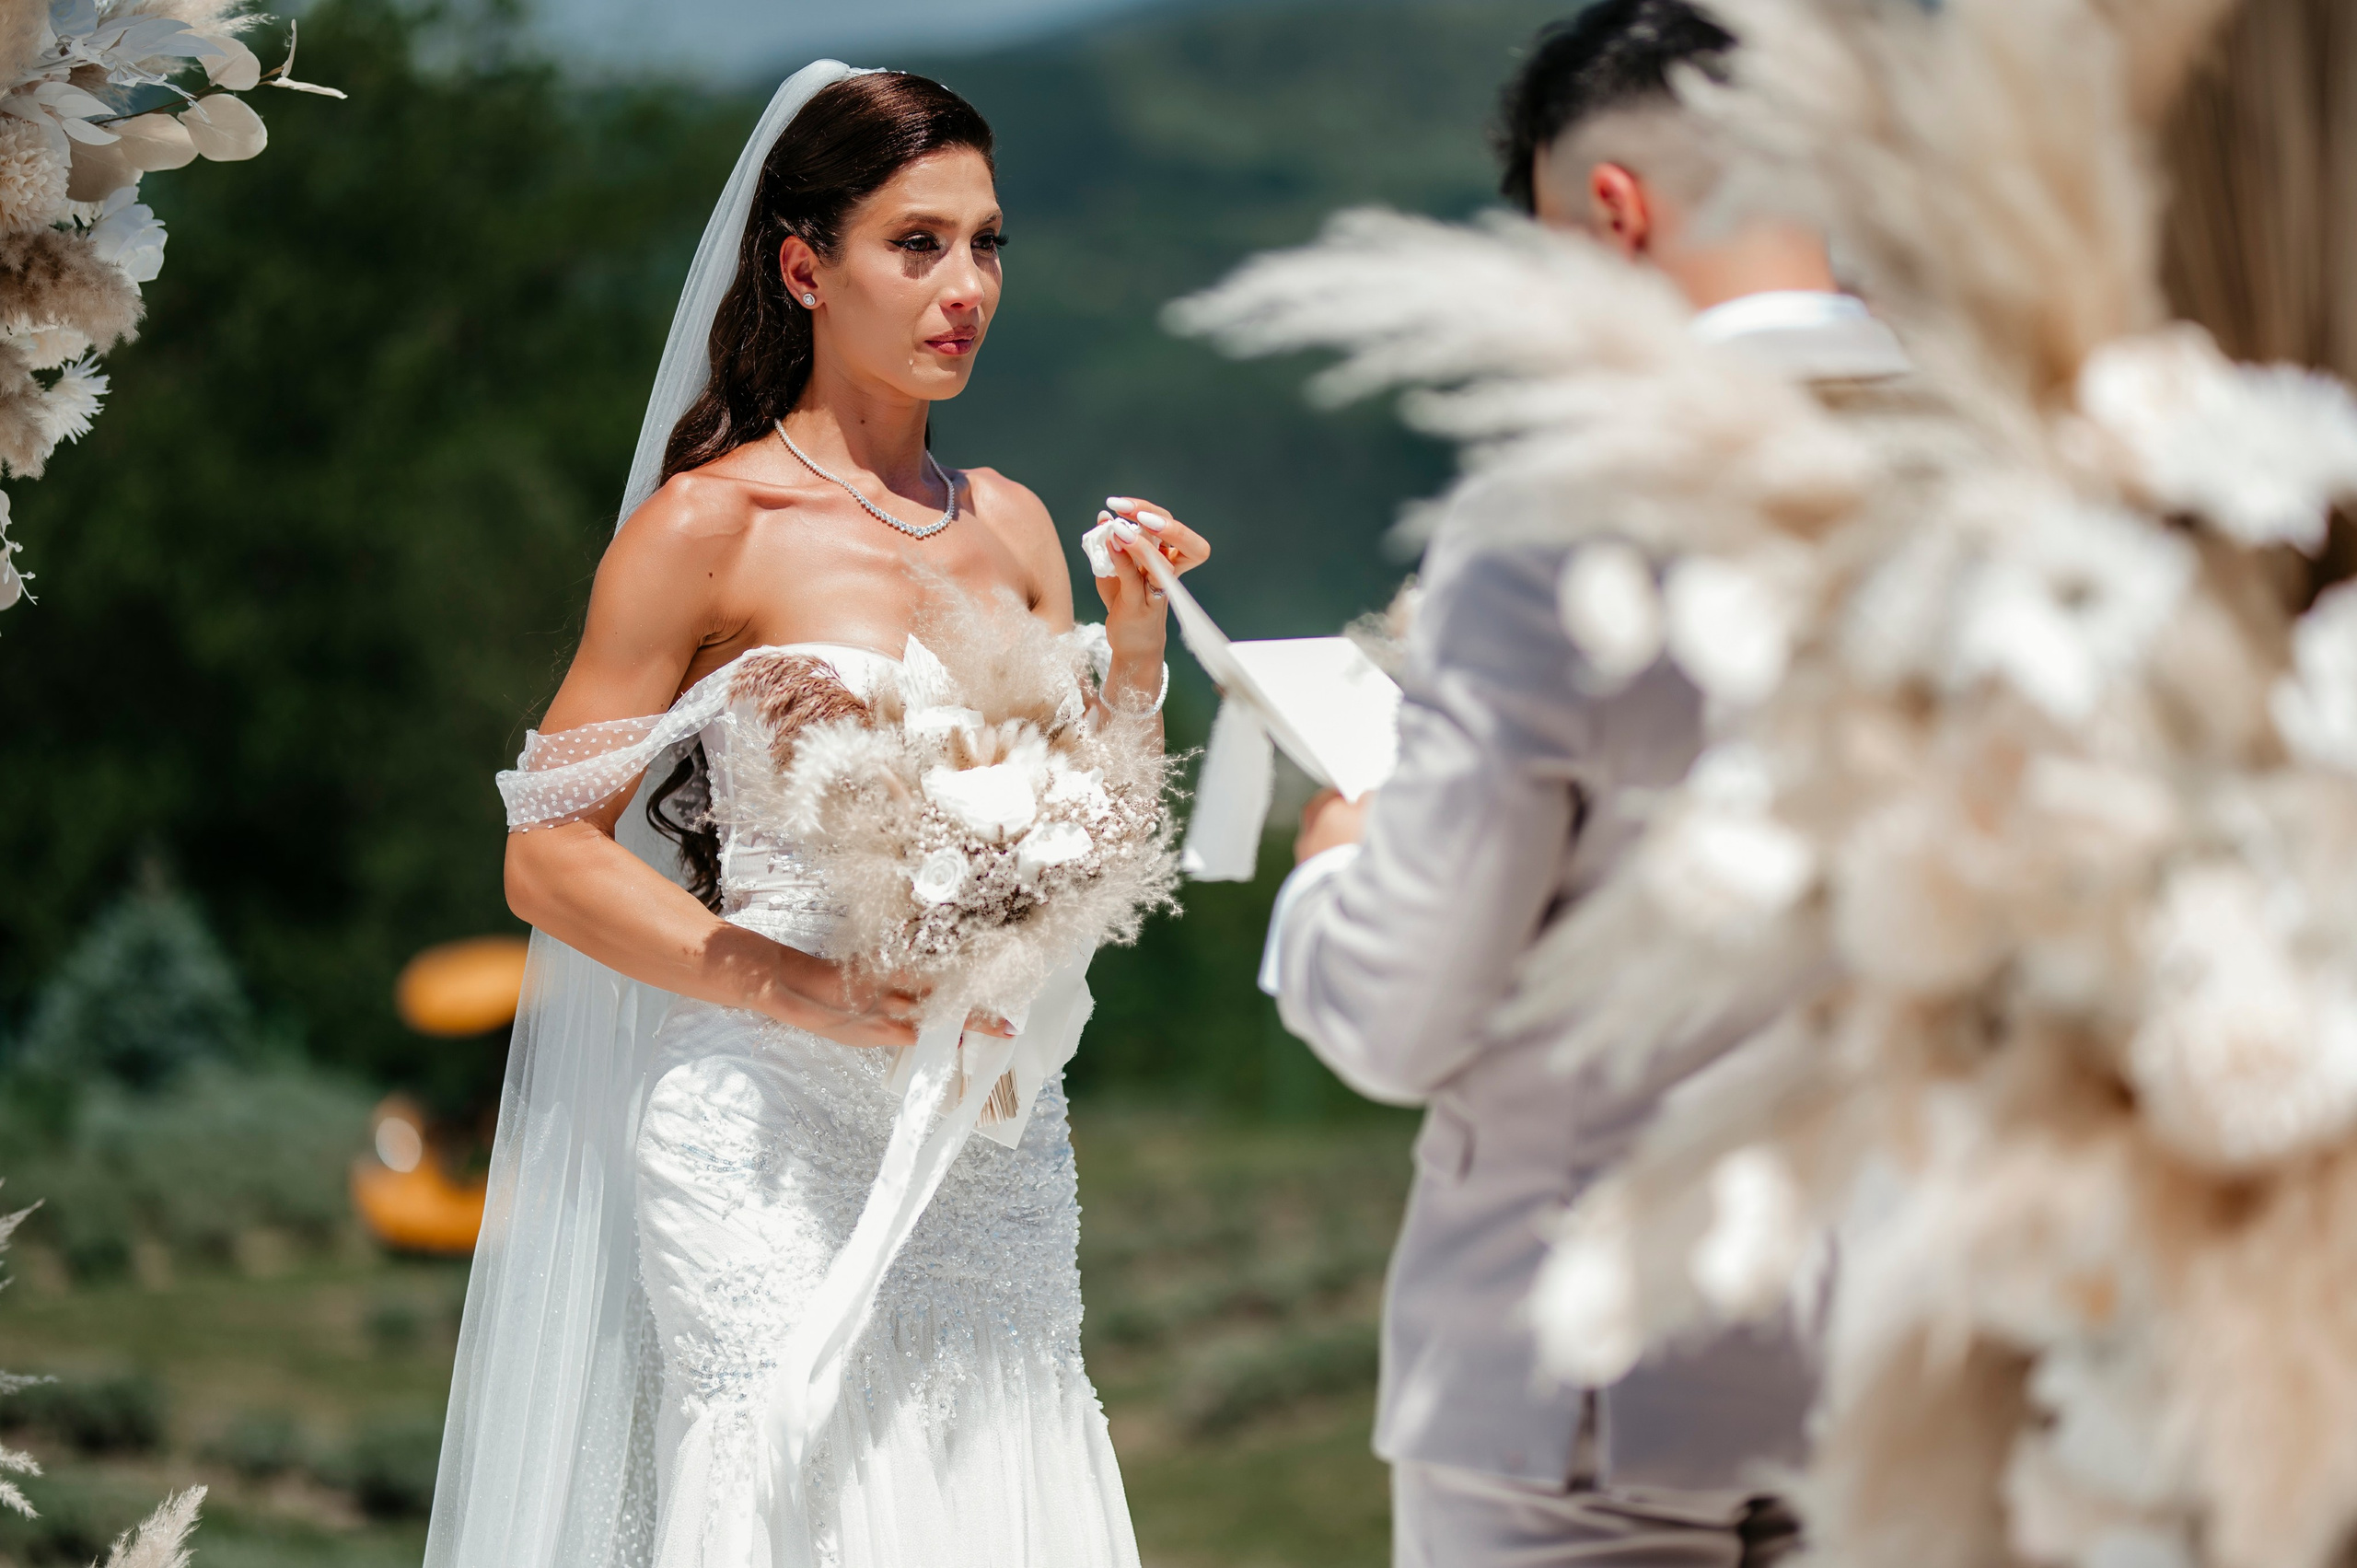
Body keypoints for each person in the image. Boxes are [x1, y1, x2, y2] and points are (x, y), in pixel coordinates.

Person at [421, 64, 1207, 1568]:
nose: (964, 286)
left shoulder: (1020, 524)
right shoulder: (711, 525)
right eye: (916, 243)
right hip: (759, 1127)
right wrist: (798, 986)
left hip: (981, 1131)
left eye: (986, 244)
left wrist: (1135, 644)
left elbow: (1099, 823)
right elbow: (546, 855)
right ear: (804, 265)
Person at [1258, 4, 1905, 1565]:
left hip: (1587, 1366)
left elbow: (1403, 1012)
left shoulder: (1560, 510)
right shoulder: (2023, 461)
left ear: (1610, 218)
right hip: (1918, 1358)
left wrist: (1333, 864)